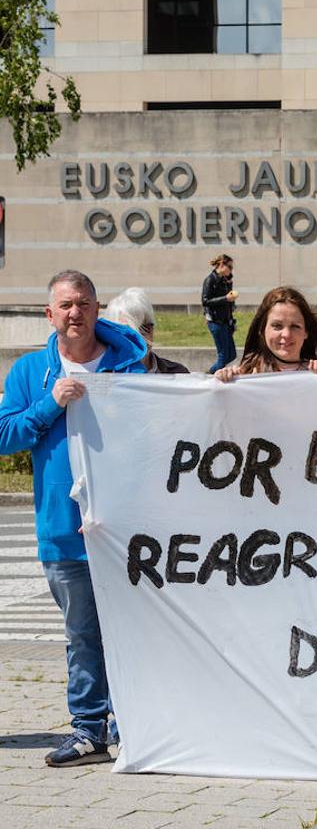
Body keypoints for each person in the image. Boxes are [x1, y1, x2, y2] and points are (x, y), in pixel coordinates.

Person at [0, 271, 149, 766]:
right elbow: (6, 438)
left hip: (126, 532)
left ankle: (136, 725)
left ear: (97, 308)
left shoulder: (130, 367)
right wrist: (51, 404)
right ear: (50, 314)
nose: (75, 313)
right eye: (65, 305)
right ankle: (89, 729)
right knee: (82, 635)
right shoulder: (28, 372)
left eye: (83, 303)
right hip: (64, 532)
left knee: (134, 632)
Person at [214, 286, 317, 380]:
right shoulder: (245, 376)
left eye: (295, 326)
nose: (286, 334)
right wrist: (222, 384)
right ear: (261, 330)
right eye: (277, 326)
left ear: (306, 332)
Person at [103, 287, 190, 374]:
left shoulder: (178, 374)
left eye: (145, 328)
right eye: (129, 332)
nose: (140, 338)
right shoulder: (102, 376)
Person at [201, 254, 238, 374]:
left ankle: (211, 373)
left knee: (231, 354)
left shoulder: (225, 281)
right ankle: (210, 375)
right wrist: (225, 298)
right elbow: (205, 301)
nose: (231, 270)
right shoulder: (210, 279)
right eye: (230, 267)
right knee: (223, 356)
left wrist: (232, 321)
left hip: (226, 321)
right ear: (222, 265)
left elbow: (229, 304)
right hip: (215, 321)